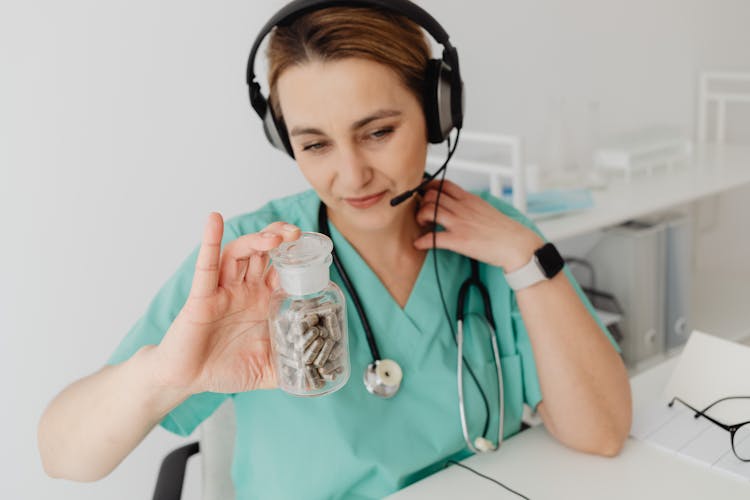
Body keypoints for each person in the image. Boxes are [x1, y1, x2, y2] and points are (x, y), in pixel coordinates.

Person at [37, 2, 632, 498]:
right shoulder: (253, 261)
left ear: (435, 112)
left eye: (377, 132)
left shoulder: (496, 236)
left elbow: (602, 433)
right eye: (316, 144)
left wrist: (529, 259)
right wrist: (165, 375)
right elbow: (63, 456)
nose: (353, 177)